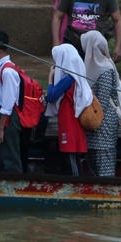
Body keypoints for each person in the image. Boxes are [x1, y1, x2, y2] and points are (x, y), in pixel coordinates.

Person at [52, 0, 121, 61]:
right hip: (73, 40)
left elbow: (117, 20)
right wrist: (56, 42)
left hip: (96, 43)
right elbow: (57, 17)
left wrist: (118, 46)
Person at [45, 44, 92, 176]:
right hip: (74, 119)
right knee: (74, 155)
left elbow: (51, 96)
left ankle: (76, 185)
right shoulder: (78, 77)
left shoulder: (68, 79)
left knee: (70, 154)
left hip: (69, 119)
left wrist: (50, 78)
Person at [81, 31, 120, 176]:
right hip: (93, 124)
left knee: (104, 167)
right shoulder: (92, 68)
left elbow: (102, 101)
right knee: (92, 166)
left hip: (103, 125)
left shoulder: (104, 69)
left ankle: (107, 197)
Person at [0, 30, 23, 173]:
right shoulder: (1, 67)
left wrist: (0, 128)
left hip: (9, 118)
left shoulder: (8, 71)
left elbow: (8, 104)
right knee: (5, 155)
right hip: (3, 117)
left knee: (10, 157)